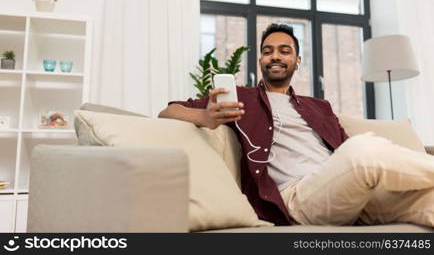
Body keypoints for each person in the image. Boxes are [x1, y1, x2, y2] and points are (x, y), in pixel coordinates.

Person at [159, 23, 434, 228]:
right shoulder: (241, 98)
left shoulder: (318, 107)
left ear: (297, 61)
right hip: (299, 199)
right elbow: (168, 112)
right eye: (267, 51)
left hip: (348, 192)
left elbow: (345, 149)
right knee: (363, 149)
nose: (275, 56)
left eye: (284, 50)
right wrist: (204, 118)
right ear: (261, 60)